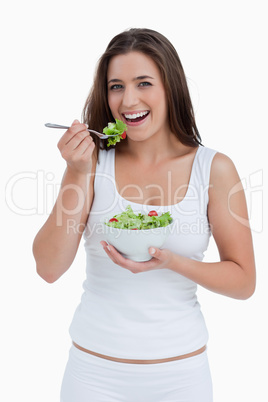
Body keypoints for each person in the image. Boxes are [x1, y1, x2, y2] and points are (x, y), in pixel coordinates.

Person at [33, 28, 256, 402]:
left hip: (182, 378)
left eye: (144, 83)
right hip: (93, 375)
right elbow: (48, 268)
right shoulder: (92, 163)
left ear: (171, 87)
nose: (128, 100)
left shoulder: (212, 169)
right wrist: (77, 170)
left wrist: (171, 261)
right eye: (116, 86)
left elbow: (243, 281)